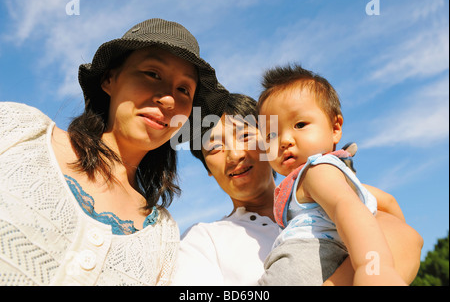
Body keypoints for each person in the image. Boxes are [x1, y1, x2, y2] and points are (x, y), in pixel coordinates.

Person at [0, 18, 229, 286]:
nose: (168, 99)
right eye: (152, 74)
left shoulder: (162, 235)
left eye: (183, 90)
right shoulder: (19, 130)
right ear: (109, 79)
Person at [172, 93, 422, 286]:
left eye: (246, 136)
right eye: (214, 148)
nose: (235, 155)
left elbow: (404, 235)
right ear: (206, 166)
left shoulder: (328, 192)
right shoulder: (203, 239)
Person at [257, 64, 407, 285]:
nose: (284, 141)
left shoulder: (316, 170)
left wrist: (374, 266)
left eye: (300, 124)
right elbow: (389, 202)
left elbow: (344, 206)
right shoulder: (319, 176)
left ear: (335, 127)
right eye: (271, 134)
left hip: (301, 266)